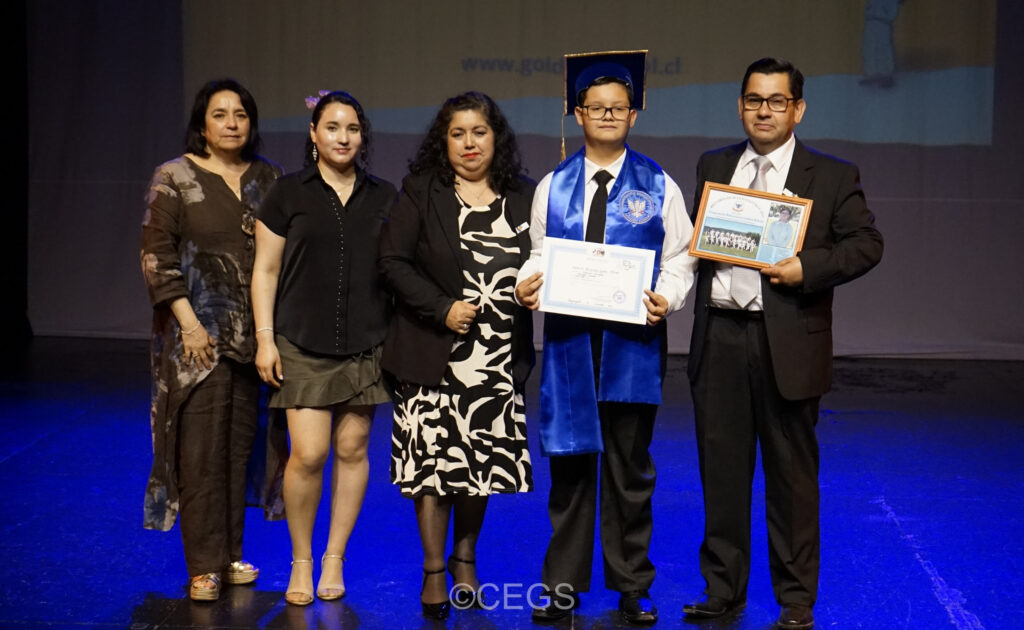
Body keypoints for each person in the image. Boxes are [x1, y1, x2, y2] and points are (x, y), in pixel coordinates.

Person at [682, 58, 884, 630]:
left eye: (776, 101)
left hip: (789, 342)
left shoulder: (832, 175)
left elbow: (867, 243)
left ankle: (796, 598)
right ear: (740, 106)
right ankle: (723, 590)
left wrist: (807, 268)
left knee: (792, 478)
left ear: (798, 109)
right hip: (720, 336)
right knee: (721, 472)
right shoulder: (715, 164)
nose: (764, 111)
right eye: (754, 100)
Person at [515, 51, 696, 626]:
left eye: (619, 107)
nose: (609, 115)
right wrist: (526, 284)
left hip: (632, 344)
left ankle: (633, 585)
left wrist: (667, 296)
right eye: (597, 107)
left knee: (629, 468)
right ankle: (561, 586)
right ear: (579, 114)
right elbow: (539, 252)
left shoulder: (658, 184)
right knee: (570, 465)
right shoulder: (553, 185)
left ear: (634, 114)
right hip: (570, 344)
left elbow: (681, 256)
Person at [379, 91, 535, 620]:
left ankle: (464, 558)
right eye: (458, 134)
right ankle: (433, 570)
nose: (470, 143)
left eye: (479, 132)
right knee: (434, 468)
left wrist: (537, 287)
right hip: (433, 351)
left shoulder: (524, 194)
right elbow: (392, 261)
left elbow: (544, 261)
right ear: (443, 142)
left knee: (479, 465)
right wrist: (441, 308)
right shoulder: (422, 190)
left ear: (496, 137)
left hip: (497, 356)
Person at [250, 91, 396, 606]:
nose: (343, 137)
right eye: (332, 127)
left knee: (352, 450)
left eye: (352, 128)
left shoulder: (384, 196)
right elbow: (265, 270)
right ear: (313, 133)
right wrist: (264, 339)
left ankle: (334, 557)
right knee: (308, 454)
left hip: (365, 343)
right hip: (301, 339)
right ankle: (302, 559)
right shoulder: (288, 192)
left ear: (362, 136)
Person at [141, 78, 282, 602]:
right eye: (220, 114)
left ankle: (229, 555)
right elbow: (157, 257)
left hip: (254, 339)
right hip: (196, 340)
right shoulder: (174, 177)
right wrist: (189, 324)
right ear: (202, 124)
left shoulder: (269, 179)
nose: (231, 123)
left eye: (240, 114)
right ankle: (203, 565)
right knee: (200, 453)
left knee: (239, 450)